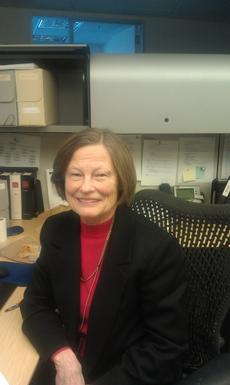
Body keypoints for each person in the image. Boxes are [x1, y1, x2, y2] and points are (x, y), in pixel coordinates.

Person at [20, 127, 188, 385]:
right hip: (67, 361)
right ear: (62, 180)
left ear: (121, 180)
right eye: (76, 174)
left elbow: (165, 348)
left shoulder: (156, 248)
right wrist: (63, 356)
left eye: (101, 175)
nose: (86, 187)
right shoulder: (56, 230)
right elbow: (35, 302)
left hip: (124, 373)